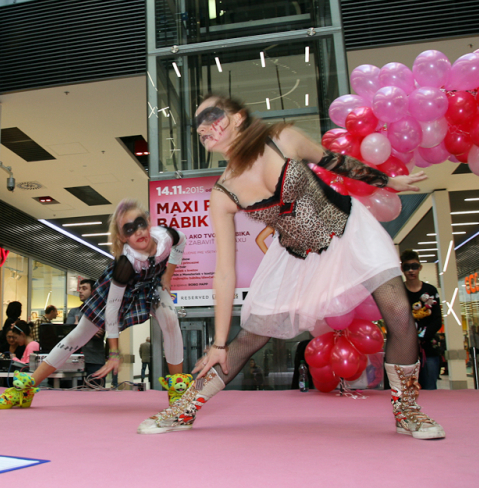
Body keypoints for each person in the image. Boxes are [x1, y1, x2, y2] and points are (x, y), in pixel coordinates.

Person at [138, 95, 444, 439]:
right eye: (197, 125)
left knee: (400, 313)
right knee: (249, 338)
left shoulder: (283, 138)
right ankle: (185, 408)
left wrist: (385, 181)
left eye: (211, 116)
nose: (203, 127)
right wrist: (218, 342)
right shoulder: (223, 192)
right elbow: (224, 271)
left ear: (238, 117)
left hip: (351, 232)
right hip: (297, 257)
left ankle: (408, 413)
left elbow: (335, 161)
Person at [0, 198, 188, 409]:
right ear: (122, 237)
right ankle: (26, 388)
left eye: (140, 224)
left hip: (152, 285)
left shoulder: (166, 237)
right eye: (129, 229)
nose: (138, 232)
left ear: (149, 223)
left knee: (170, 318)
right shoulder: (126, 263)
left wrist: (168, 275)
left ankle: (177, 391)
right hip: (124, 289)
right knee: (78, 335)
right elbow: (112, 309)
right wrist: (113, 352)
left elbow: (181, 241)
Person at [400, 250, 443, 390]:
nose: (411, 270)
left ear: (420, 267)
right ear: (402, 269)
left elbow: (437, 319)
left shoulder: (430, 290)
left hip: (428, 350)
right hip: (405, 352)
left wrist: (422, 334)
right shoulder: (399, 292)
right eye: (407, 267)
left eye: (414, 266)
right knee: (406, 391)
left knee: (430, 389)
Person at [68, 279, 105, 386]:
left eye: (84, 289)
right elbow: (69, 333)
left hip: (95, 360)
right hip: (75, 360)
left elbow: (100, 333)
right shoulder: (74, 311)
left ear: (93, 292)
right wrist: (91, 330)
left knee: (95, 395)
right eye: (80, 288)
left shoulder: (101, 311)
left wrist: (78, 327)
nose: (80, 291)